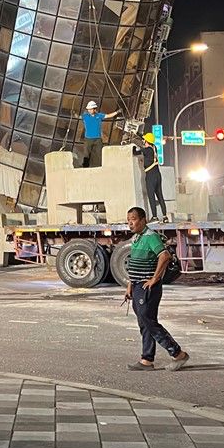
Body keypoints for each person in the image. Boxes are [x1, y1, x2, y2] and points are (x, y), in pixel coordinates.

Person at [123, 207, 188, 371]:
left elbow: (164, 256)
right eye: (128, 219)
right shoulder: (136, 238)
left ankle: (177, 353)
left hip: (148, 287)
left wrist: (155, 278)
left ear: (143, 219)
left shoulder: (151, 237)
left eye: (134, 219)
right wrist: (130, 285)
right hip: (137, 285)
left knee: (148, 320)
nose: (130, 223)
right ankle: (146, 360)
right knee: (143, 321)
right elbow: (133, 263)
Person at [79, 101, 119, 168]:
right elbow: (78, 117)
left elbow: (108, 115)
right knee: (86, 154)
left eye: (90, 109)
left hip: (97, 139)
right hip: (88, 139)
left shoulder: (99, 115)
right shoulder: (85, 116)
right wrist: (74, 113)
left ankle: (101, 166)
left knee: (100, 153)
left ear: (94, 109)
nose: (89, 110)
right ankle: (85, 167)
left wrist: (117, 112)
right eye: (88, 109)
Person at [141, 144, 169, 223]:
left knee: (151, 197)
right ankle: (165, 216)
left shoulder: (146, 150)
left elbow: (136, 152)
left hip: (150, 176)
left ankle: (154, 217)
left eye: (145, 141)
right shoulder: (154, 148)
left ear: (147, 141)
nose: (144, 142)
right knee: (160, 196)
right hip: (157, 175)